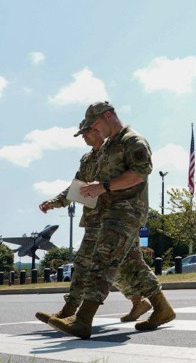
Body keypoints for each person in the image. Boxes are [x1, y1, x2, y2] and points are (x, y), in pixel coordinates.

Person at [48, 101, 175, 339]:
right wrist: (63, 199)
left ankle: (83, 318)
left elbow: (139, 174)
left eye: (94, 125)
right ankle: (162, 308)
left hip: (127, 211)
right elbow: (82, 184)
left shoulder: (133, 141)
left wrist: (103, 187)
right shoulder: (107, 148)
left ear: (108, 116)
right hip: (106, 215)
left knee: (102, 260)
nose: (94, 131)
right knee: (130, 266)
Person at [36, 119, 151, 325]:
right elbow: (76, 189)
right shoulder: (88, 159)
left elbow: (133, 177)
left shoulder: (116, 150)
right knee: (93, 265)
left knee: (118, 265)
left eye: (87, 131)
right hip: (96, 219)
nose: (84, 136)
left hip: (119, 216)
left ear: (99, 129)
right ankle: (137, 302)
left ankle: (78, 314)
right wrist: (54, 202)